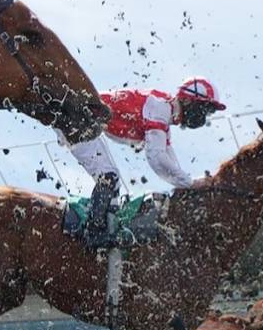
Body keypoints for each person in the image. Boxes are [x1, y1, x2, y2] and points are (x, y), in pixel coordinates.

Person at [63, 77, 226, 245]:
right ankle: (92, 234)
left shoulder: (165, 114)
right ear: (187, 100)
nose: (204, 117)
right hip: (76, 118)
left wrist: (189, 183)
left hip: (83, 119)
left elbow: (170, 163)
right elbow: (157, 158)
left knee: (112, 190)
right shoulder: (161, 108)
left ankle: (102, 237)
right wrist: (190, 183)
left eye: (208, 113)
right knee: (108, 177)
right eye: (204, 109)